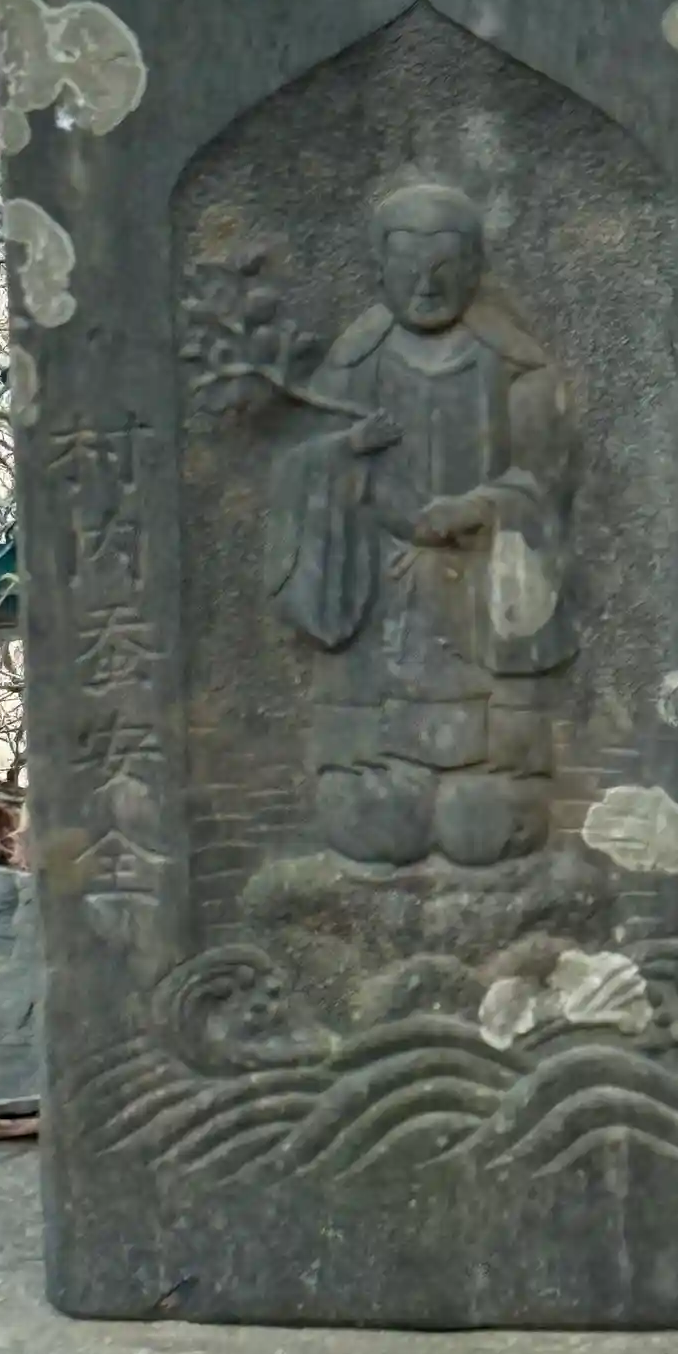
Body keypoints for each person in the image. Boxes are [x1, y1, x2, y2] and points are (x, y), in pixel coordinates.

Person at [265, 179, 577, 868]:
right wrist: (347, 455)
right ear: (380, 268)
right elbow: (306, 468)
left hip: (483, 591)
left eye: (444, 265)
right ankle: (373, 785)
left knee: (484, 826)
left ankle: (497, 788)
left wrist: (480, 508)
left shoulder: (515, 365)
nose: (426, 284)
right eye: (407, 265)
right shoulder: (354, 362)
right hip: (380, 593)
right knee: (370, 820)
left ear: (476, 267)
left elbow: (544, 481)